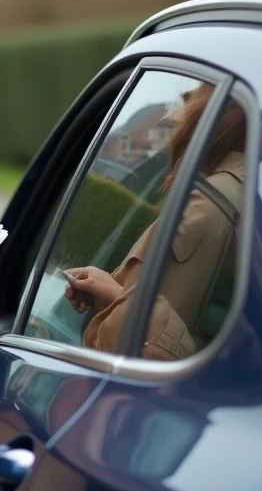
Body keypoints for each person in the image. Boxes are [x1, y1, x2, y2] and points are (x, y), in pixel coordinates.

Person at [64, 83, 246, 361]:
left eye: (198, 89)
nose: (180, 106)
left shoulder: (205, 204)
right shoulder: (242, 195)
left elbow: (143, 353)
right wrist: (114, 297)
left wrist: (118, 299)